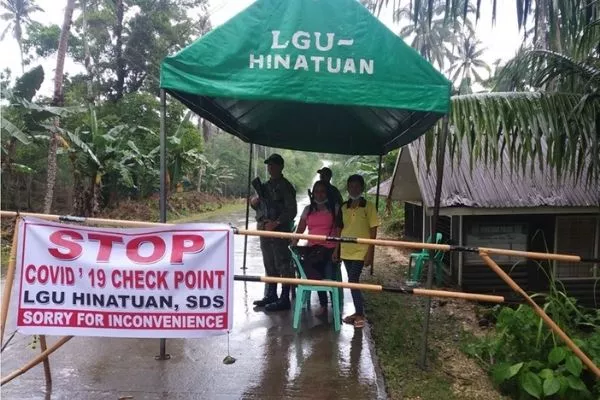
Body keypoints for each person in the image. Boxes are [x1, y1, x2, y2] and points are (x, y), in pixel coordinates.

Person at [250, 153, 297, 311]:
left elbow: (292, 210)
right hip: (265, 229)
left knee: (283, 264)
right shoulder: (265, 186)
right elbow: (259, 205)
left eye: (274, 165)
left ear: (281, 166)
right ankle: (271, 294)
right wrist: (254, 202)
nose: (271, 167)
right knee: (269, 263)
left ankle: (285, 298)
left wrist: (277, 222)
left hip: (279, 231)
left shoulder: (285, 186)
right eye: (269, 165)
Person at [333, 174, 379, 329]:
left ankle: (360, 314)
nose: (354, 189)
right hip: (346, 250)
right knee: (353, 282)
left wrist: (370, 253)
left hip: (361, 250)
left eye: (357, 186)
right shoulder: (343, 207)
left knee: (352, 279)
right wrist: (336, 250)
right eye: (351, 186)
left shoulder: (369, 206)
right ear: (348, 188)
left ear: (362, 188)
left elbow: (373, 230)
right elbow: (339, 230)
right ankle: (358, 312)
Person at [291, 180, 342, 316]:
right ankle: (324, 305)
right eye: (317, 191)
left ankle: (335, 307)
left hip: (330, 249)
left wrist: (337, 250)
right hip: (313, 249)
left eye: (322, 191)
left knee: (329, 276)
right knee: (315, 274)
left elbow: (339, 231)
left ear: (327, 193)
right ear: (313, 193)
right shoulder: (308, 209)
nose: (319, 194)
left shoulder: (334, 208)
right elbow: (300, 228)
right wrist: (294, 243)